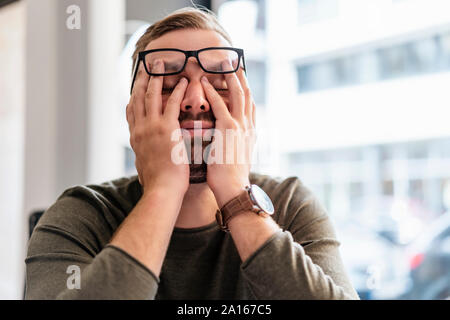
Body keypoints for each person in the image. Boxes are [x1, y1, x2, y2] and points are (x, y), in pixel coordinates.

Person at [25, 7, 359, 300]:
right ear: (134, 114)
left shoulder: (290, 205)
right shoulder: (82, 215)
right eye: (168, 85)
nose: (196, 100)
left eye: (218, 83)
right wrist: (164, 190)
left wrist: (237, 197)